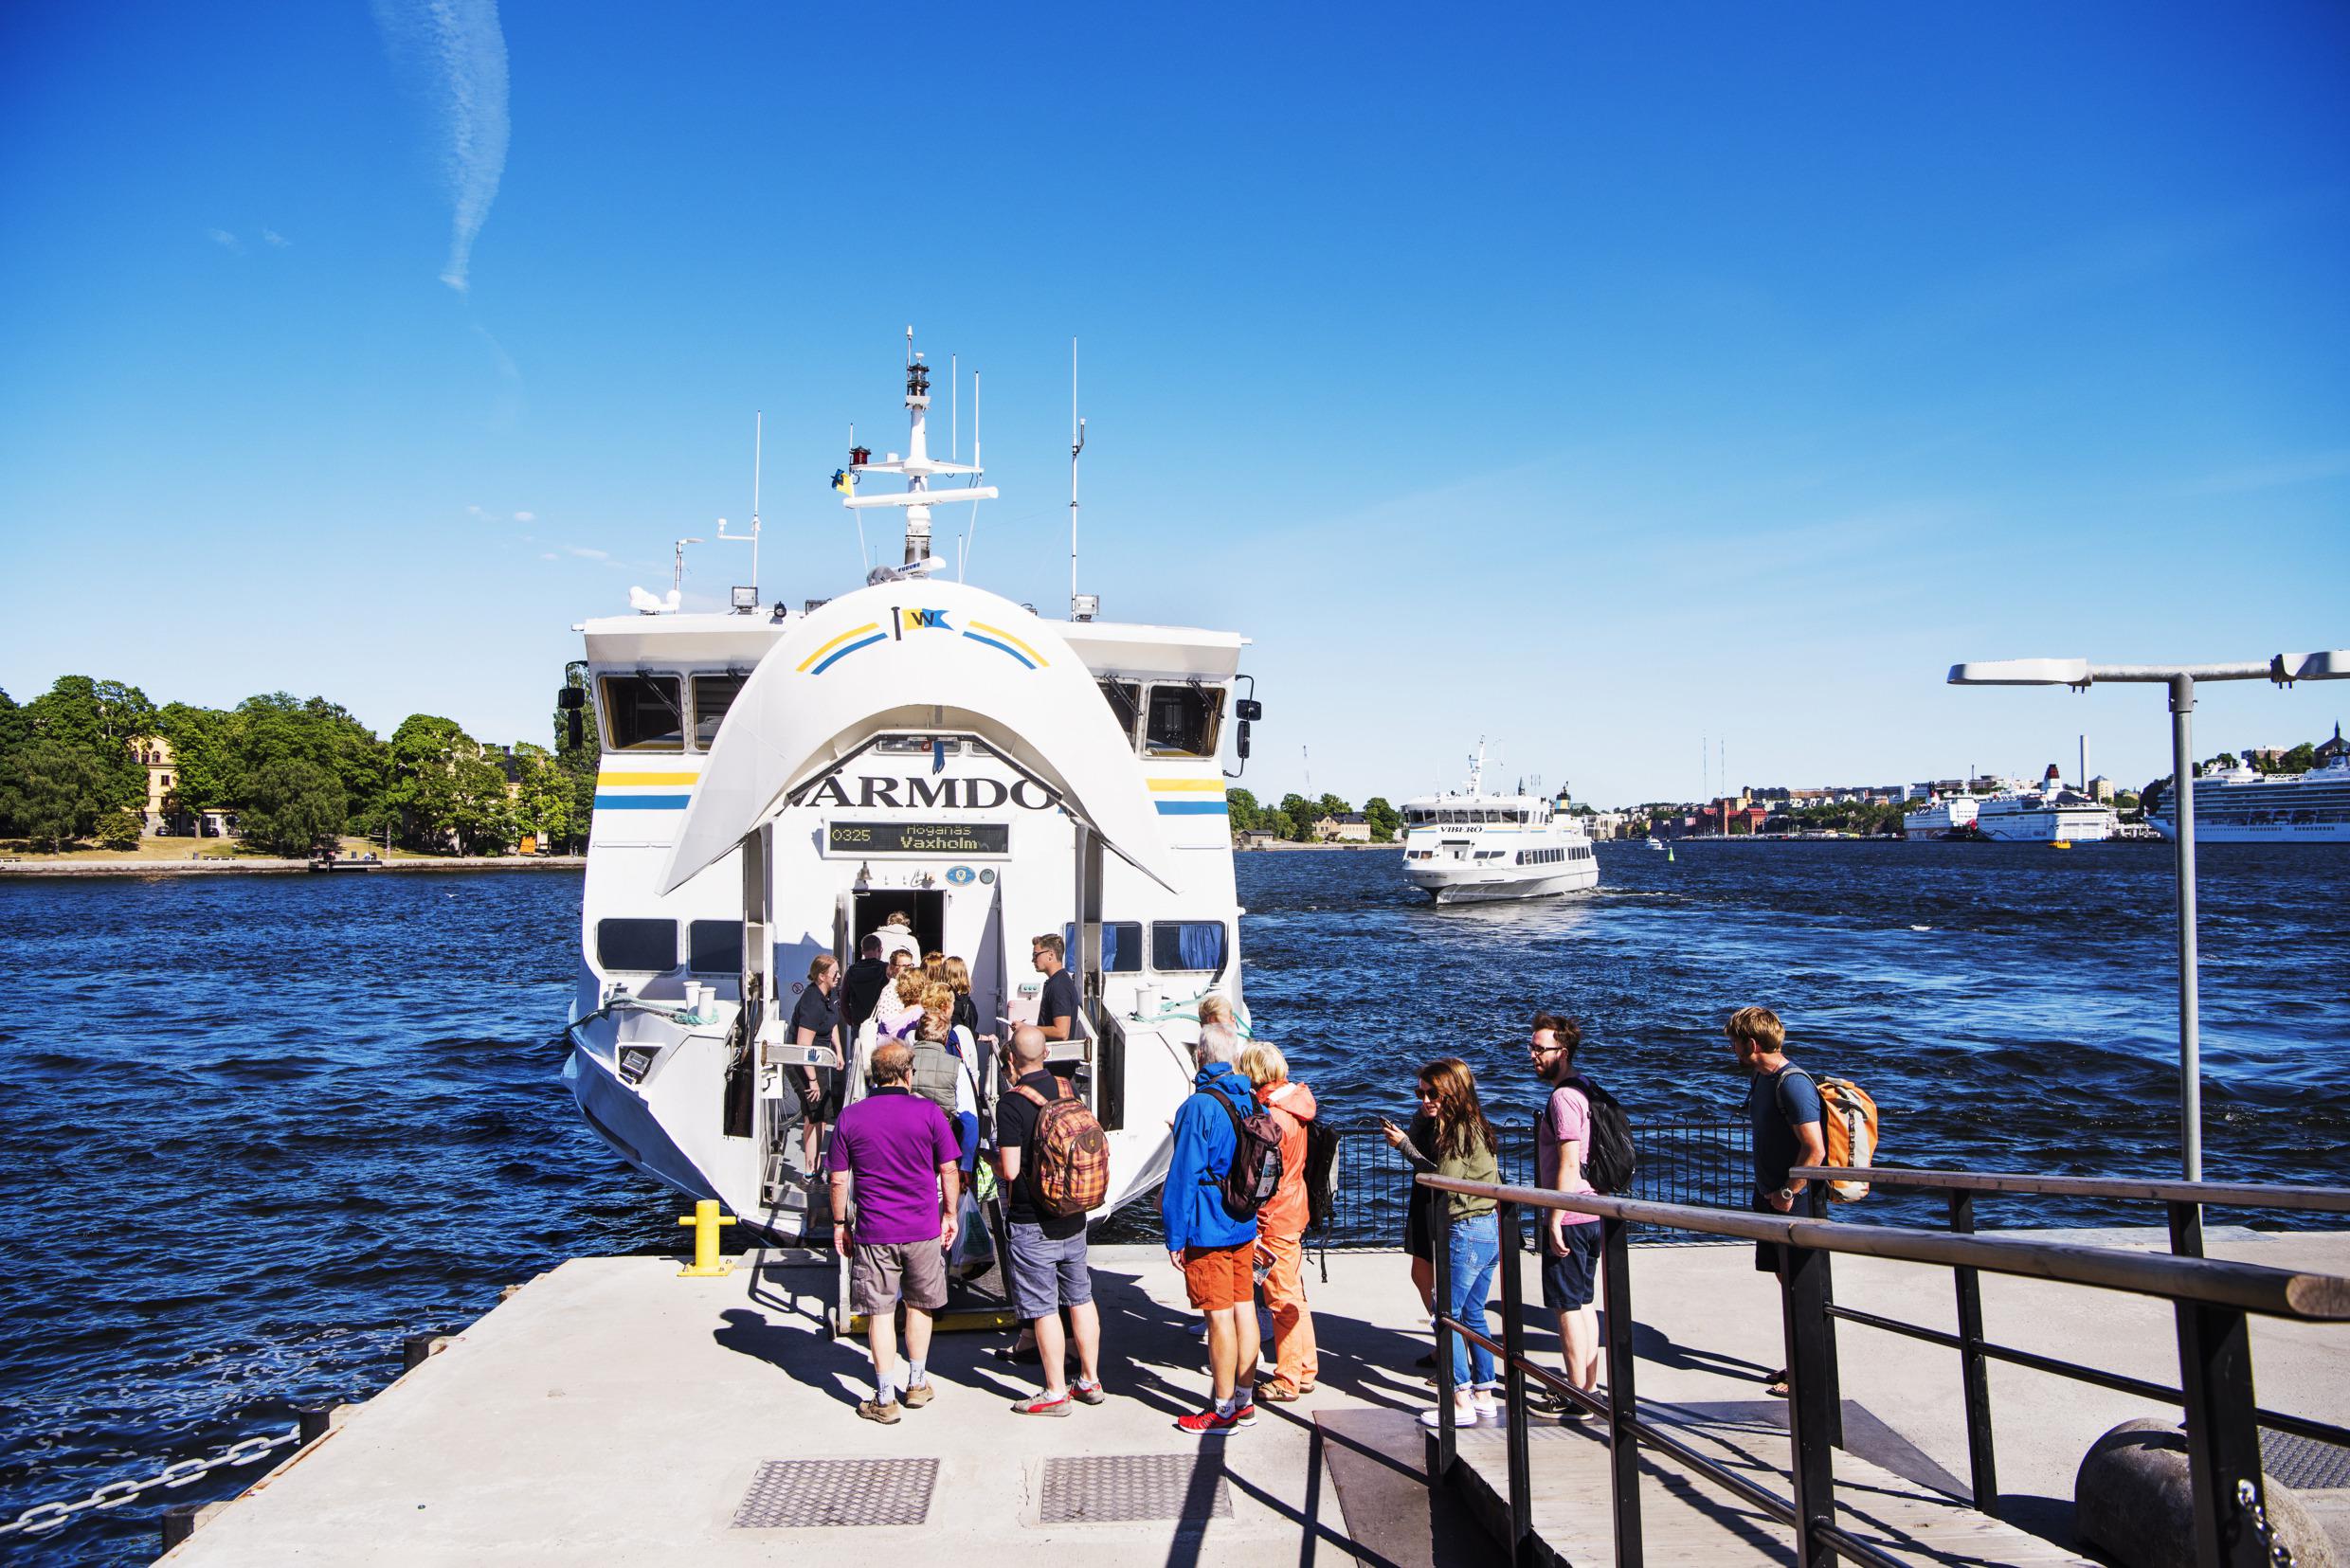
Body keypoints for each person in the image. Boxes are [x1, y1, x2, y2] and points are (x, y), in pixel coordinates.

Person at [826, 1040, 963, 1425]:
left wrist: (840, 1223)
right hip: (921, 1228)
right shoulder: (929, 1112)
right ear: (909, 1074)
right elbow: (949, 1169)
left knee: (881, 1312)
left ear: (873, 1076)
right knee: (919, 1305)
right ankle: (917, 1383)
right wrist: (949, 1213)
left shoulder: (851, 1118)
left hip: (874, 1231)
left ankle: (885, 1397)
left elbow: (838, 1179)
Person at [1383, 1058, 1500, 1430]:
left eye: (1432, 1093)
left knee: (1445, 1316)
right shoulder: (1470, 1123)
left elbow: (1440, 1178)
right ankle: (1484, 1393)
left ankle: (1460, 1399)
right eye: (1420, 1092)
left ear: (1452, 1091)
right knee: (1473, 1315)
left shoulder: (1460, 1131)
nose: (1426, 1099)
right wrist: (1420, 1118)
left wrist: (1405, 1148)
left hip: (1466, 1227)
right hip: (1487, 1227)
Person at [994, 1024, 1105, 1415]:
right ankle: (1090, 1380)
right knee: (1081, 1297)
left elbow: (1009, 1170)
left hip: (1032, 1219)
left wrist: (988, 1158)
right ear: (1046, 1055)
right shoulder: (1066, 1088)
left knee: (1043, 1308)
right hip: (1073, 1212)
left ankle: (1056, 1390)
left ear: (1011, 1060)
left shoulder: (1010, 1103)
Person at [1162, 1021, 1263, 1434]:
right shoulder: (1253, 1100)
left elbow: (1182, 1178)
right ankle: (1244, 1399)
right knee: (1244, 1309)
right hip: (1243, 1221)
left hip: (1208, 1226)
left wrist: (1174, 1235)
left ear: (1200, 1057)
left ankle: (1221, 1410)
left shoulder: (1198, 1107)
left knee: (1217, 1317)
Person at [1727, 1005, 1825, 1399]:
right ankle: (1796, 1362)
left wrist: (1788, 1193)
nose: (1730, 1050)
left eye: (1733, 1043)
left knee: (1801, 1288)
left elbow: (1814, 1149)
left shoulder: (1793, 1084)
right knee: (1787, 1285)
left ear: (1751, 1044)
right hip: (1769, 1197)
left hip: (1792, 1203)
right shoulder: (1762, 1079)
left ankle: (1806, 1373)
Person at [1529, 1012, 1603, 1419]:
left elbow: (1568, 1162)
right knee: (1585, 1302)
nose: (1533, 1055)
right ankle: (1589, 1387)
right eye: (1532, 1047)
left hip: (1571, 1215)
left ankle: (1576, 1394)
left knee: (1567, 1307)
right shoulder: (1586, 1088)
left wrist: (1554, 1217)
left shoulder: (1562, 1098)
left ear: (1564, 1051)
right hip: (1592, 1211)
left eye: (1541, 1049)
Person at [1238, 1040, 1318, 1402]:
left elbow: (1262, 1177)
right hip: (1295, 1207)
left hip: (1276, 1216)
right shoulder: (1296, 1105)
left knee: (1280, 1299)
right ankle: (1305, 1368)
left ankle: (1287, 1378)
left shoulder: (1274, 1118)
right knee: (1295, 1293)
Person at [913, 981, 982, 1172]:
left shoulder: (906, 1047)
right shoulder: (958, 1050)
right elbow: (969, 1119)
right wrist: (966, 1166)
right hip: (945, 1149)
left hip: (909, 1149)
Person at [790, 955, 843, 1176]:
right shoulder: (812, 1001)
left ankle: (817, 1164)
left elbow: (832, 1024)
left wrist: (838, 1051)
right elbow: (803, 1044)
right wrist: (812, 1080)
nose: (839, 977)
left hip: (820, 1058)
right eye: (835, 974)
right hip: (805, 1062)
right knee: (813, 1114)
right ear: (822, 976)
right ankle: (810, 1168)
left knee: (823, 1113)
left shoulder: (830, 995)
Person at [1032, 932, 1081, 1043]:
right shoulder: (1056, 982)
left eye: (1036, 955)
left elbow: (1062, 1033)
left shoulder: (1059, 986)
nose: (1033, 960)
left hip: (1056, 1059)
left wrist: (1027, 1029)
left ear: (1050, 955)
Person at [841, 934, 891, 1036]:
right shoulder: (885, 969)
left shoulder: (851, 971)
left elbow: (843, 1001)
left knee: (859, 1051)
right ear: (879, 949)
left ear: (862, 950)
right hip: (880, 1025)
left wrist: (851, 1020)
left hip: (859, 1025)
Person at [875, 956, 924, 1040]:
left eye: (910, 965)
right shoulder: (918, 1014)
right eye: (905, 966)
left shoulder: (894, 1018)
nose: (908, 968)